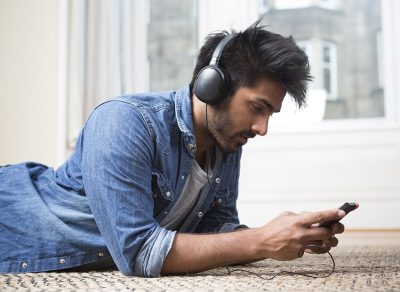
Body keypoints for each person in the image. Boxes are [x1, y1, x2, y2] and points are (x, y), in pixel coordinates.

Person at [0, 21, 346, 277]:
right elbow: (138, 253)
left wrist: (286, 235)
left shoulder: (226, 143)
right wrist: (259, 241)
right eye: (257, 107)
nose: (262, 128)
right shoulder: (123, 121)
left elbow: (215, 230)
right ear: (214, 86)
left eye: (270, 113)